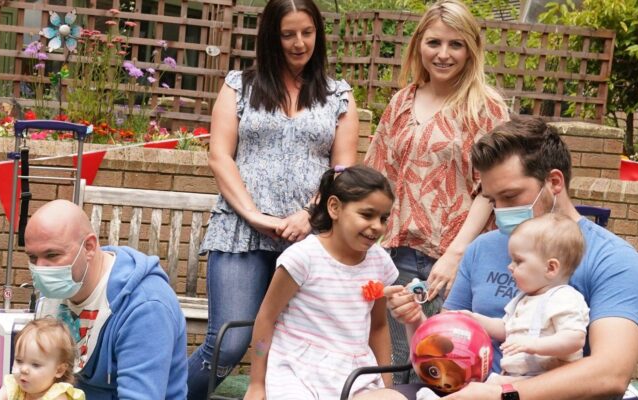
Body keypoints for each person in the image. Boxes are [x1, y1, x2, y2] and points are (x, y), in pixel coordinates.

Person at [356, 117, 638, 400]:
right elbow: (447, 345)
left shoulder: (612, 259)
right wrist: (415, 320)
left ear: (554, 182)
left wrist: (501, 394)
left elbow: (610, 374)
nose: (500, 212)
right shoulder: (482, 248)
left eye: (510, 196)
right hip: (466, 389)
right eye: (493, 200)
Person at [189, 0, 360, 395]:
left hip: (310, 237)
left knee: (298, 346)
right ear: (271, 36)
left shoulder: (338, 95)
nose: (299, 43)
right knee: (228, 342)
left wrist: (308, 213)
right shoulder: (239, 86)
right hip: (240, 231)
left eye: (307, 32)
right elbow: (220, 156)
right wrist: (252, 214)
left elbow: (342, 170)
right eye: (288, 34)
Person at [362, 0, 511, 376]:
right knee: (395, 366)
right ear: (419, 45)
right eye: (434, 43)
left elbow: (490, 189)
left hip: (456, 261)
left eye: (455, 44)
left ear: (471, 49)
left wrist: (455, 255)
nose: (443, 54)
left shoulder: (486, 107)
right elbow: (378, 175)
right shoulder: (401, 102)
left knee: (445, 368)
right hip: (399, 254)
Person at [244, 165, 398, 399]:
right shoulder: (303, 258)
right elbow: (266, 318)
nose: (377, 226)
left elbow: (378, 326)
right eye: (367, 215)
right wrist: (257, 383)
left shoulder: (380, 262)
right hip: (298, 370)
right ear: (335, 207)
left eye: (383, 218)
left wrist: (385, 383)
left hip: (354, 371)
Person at [22, 200, 187, 400]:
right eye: (32, 258)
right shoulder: (57, 289)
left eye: (52, 255)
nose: (41, 268)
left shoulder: (145, 306)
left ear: (89, 247)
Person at [462, 214, 589, 384]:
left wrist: (534, 345)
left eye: (518, 261)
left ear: (551, 268)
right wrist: (475, 320)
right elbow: (505, 329)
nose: (510, 266)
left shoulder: (564, 297)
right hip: (517, 378)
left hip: (548, 383)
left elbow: (574, 339)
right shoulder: (522, 299)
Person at [0, 318, 87, 400]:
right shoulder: (16, 386)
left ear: (59, 370)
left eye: (35, 364)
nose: (23, 369)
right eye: (19, 360)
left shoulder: (58, 396)